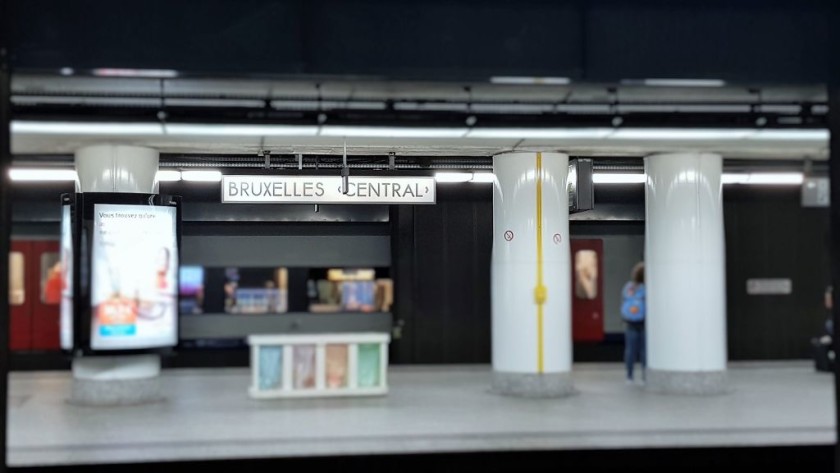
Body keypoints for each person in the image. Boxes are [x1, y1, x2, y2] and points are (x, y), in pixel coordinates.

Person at [621, 262, 646, 384]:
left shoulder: (628, 287)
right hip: (644, 323)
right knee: (644, 351)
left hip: (630, 322)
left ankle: (629, 376)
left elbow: (624, 299)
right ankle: (644, 376)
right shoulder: (647, 288)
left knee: (630, 350)